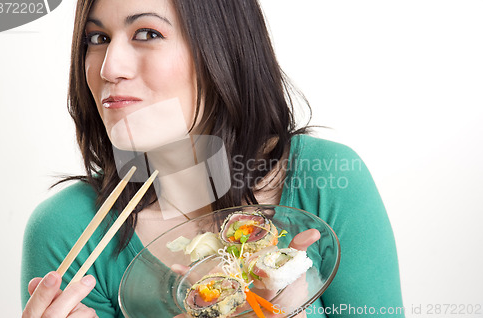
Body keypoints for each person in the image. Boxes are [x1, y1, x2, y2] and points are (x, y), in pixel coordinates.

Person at [21, 0, 404, 317]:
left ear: (223, 47)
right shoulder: (69, 229)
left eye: (148, 34)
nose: (108, 68)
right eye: (97, 37)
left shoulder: (324, 179)